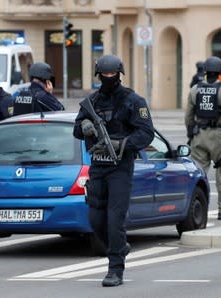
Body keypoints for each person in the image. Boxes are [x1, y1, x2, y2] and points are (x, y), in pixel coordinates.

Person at [73, 54, 154, 287]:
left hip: (121, 166)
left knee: (115, 219)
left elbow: (146, 132)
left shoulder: (134, 101)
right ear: (98, 76)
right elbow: (77, 131)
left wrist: (123, 143)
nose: (109, 78)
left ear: (119, 74)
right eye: (104, 75)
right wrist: (85, 126)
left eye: (112, 74)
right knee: (95, 219)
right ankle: (119, 246)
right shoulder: (92, 102)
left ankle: (115, 269)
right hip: (98, 165)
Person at [184, 56, 221, 220]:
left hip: (199, 136)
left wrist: (191, 134)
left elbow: (188, 116)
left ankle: (192, 208)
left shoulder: (195, 89)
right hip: (219, 138)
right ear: (220, 71)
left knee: (197, 174)